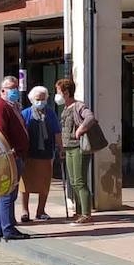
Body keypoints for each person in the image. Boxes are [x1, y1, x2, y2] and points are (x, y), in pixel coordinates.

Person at [0, 76, 30, 240]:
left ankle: (0, 227)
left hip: (16, 155)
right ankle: (8, 228)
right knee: (7, 193)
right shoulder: (0, 107)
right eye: (10, 88)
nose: (14, 91)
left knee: (6, 193)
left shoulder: (11, 106)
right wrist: (8, 153)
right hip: (8, 157)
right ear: (2, 91)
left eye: (15, 87)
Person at [55, 79, 97, 225]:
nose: (57, 95)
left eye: (58, 91)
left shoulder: (78, 106)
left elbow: (90, 117)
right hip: (69, 148)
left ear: (66, 92)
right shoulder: (66, 108)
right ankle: (79, 212)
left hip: (79, 148)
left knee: (79, 181)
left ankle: (86, 214)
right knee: (73, 182)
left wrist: (81, 129)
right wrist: (62, 148)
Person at [19, 86, 61, 222]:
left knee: (44, 183)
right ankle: (25, 211)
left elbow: (57, 132)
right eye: (38, 99)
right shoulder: (25, 113)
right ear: (31, 99)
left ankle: (41, 210)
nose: (40, 102)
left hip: (46, 153)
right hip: (29, 153)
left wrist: (61, 148)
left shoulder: (51, 114)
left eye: (43, 99)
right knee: (25, 184)